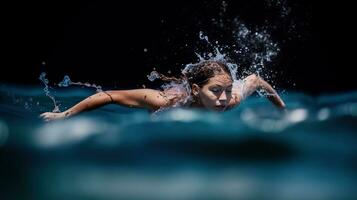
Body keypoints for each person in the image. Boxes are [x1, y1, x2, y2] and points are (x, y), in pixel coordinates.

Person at [40, 60, 285, 121]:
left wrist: (282, 109)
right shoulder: (167, 101)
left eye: (228, 90)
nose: (224, 98)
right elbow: (109, 96)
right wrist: (64, 115)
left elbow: (256, 80)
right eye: (216, 91)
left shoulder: (231, 99)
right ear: (197, 90)